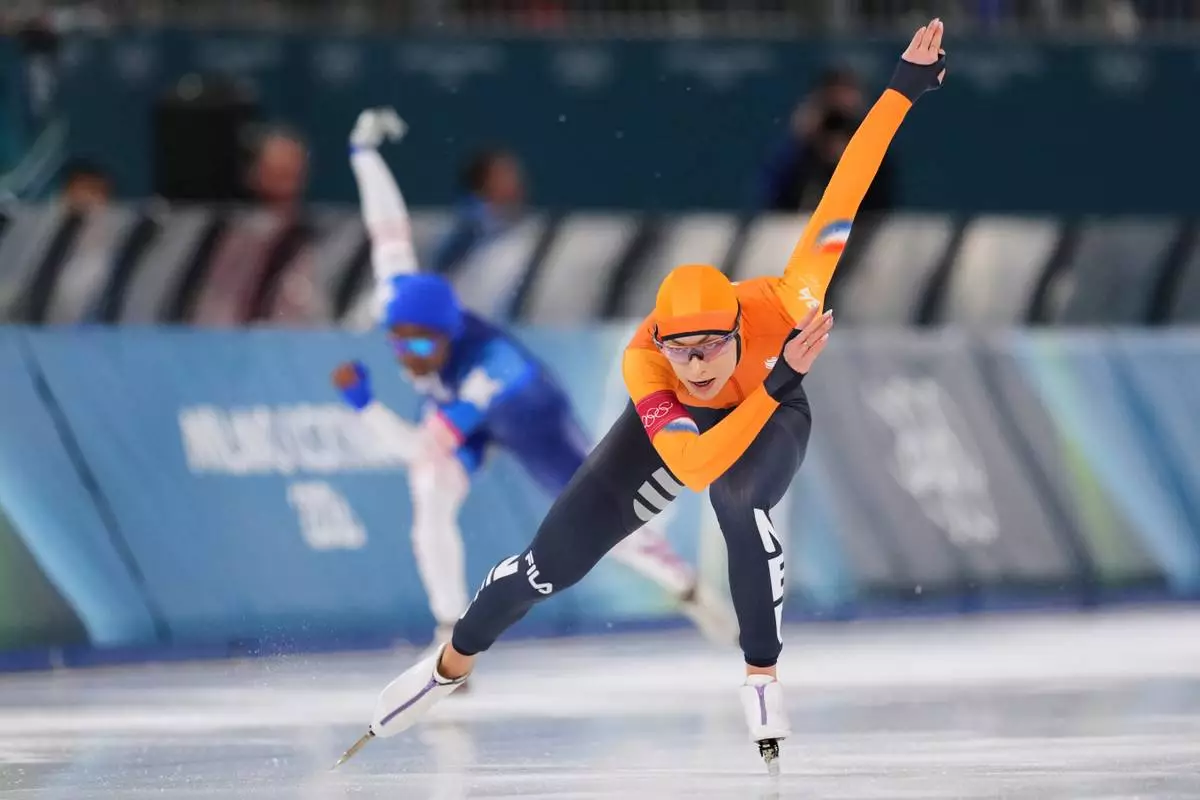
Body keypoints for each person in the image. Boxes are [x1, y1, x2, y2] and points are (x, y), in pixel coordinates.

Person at [335, 21, 947, 774]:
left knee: (739, 504)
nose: (695, 365)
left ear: (735, 326)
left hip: (772, 414)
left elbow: (846, 188)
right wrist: (775, 376)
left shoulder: (788, 302)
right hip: (733, 412)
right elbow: (688, 465)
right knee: (543, 568)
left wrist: (900, 91)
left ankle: (760, 675)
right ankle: (446, 666)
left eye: (711, 347)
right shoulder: (645, 366)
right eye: (679, 350)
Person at [330, 107, 732, 662]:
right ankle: (449, 630)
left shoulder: (487, 372)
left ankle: (684, 583)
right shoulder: (398, 298)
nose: (409, 356)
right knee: (429, 495)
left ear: (448, 338)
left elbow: (418, 446)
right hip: (465, 410)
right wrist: (364, 155)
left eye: (423, 346)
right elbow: (388, 231)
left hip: (526, 409)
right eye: (398, 341)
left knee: (598, 517)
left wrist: (365, 408)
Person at [758, 65, 895, 214]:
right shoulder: (801, 151)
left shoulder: (872, 154)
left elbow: (883, 199)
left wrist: (863, 143)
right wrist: (800, 141)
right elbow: (771, 194)